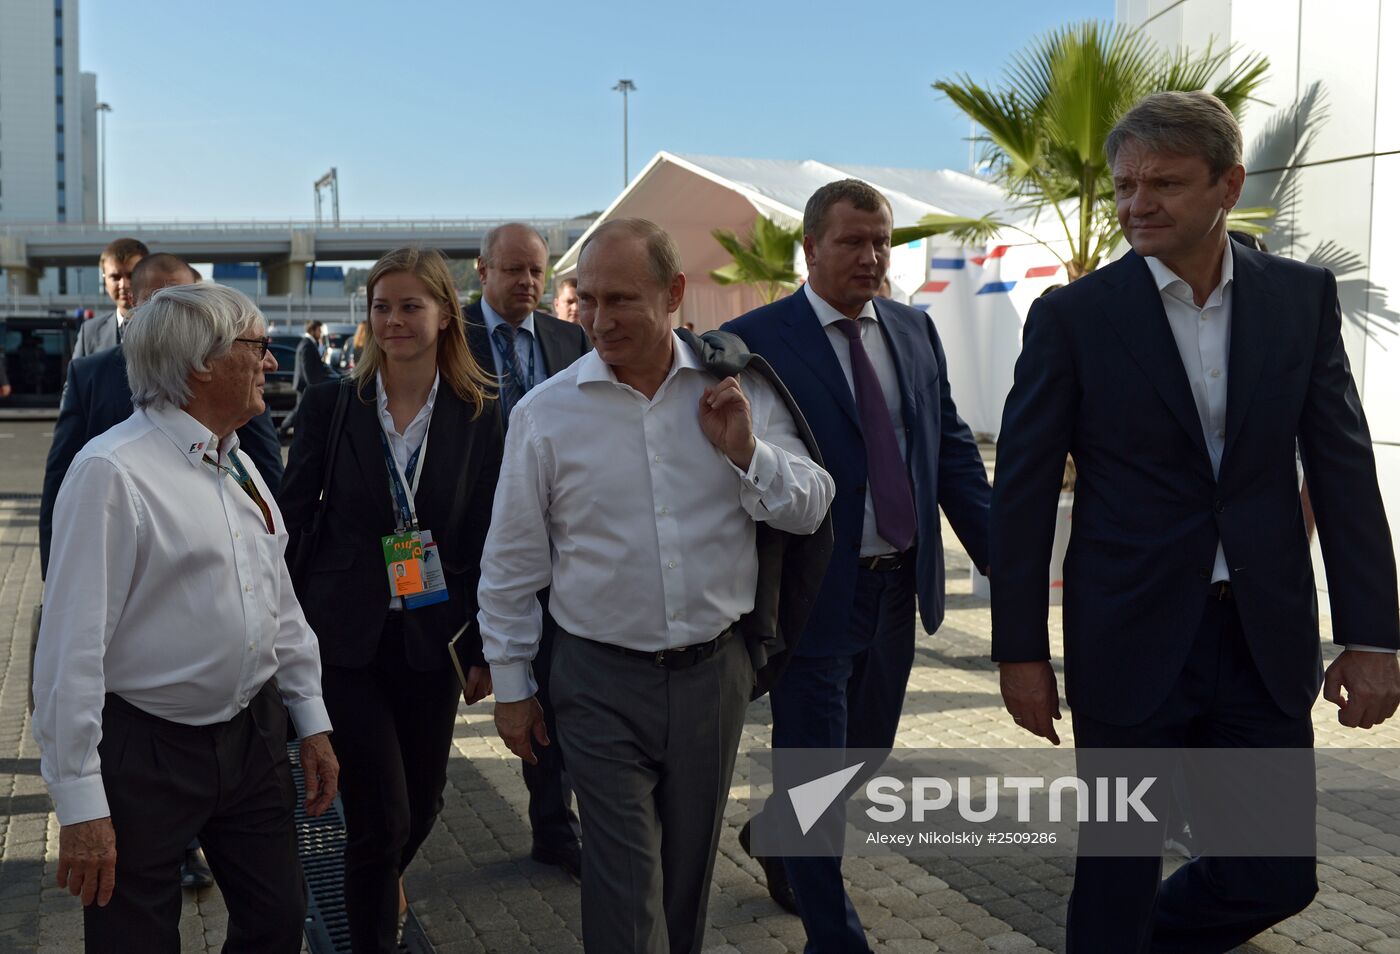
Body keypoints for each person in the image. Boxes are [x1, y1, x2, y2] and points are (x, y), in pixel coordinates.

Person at [991, 90, 1400, 953]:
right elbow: (1021, 497)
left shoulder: (1300, 299)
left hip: (1262, 639)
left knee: (1274, 874)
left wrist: (1372, 637)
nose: (1138, 205)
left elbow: (1344, 468)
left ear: (1227, 184)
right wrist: (1019, 654)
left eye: (1164, 184)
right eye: (1125, 187)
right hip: (1127, 636)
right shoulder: (1073, 318)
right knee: (1118, 868)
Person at [479, 218, 834, 953]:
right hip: (596, 682)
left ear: (673, 293)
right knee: (623, 879)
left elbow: (813, 505)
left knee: (685, 880)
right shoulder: (545, 414)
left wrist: (746, 451)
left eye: (622, 300)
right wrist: (513, 686)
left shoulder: (736, 388)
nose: (600, 321)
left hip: (714, 676)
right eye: (588, 301)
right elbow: (512, 563)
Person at [723, 178, 992, 952]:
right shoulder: (754, 339)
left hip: (895, 589)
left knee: (865, 753)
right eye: (853, 242)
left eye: (882, 242)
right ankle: (833, 936)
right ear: (810, 249)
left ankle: (777, 834)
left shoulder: (914, 331)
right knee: (816, 769)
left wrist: (1006, 562)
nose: (872, 257)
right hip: (812, 596)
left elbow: (948, 452)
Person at [31, 282, 338, 953]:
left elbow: (278, 601)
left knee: (278, 920)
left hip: (252, 737)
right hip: (148, 753)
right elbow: (70, 651)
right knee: (134, 937)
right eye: (256, 347)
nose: (272, 363)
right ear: (203, 363)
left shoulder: (240, 462)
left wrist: (310, 720)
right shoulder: (112, 472)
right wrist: (81, 804)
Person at [280, 246, 503, 954]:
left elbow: (487, 540)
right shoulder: (332, 406)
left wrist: (482, 646)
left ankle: (370, 885)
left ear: (444, 315)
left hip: (431, 638)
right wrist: (285, 636)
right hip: (343, 639)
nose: (395, 321)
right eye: (382, 307)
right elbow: (295, 519)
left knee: (423, 805)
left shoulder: (481, 416)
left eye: (411, 306)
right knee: (380, 818)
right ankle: (373, 931)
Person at [465, 222, 591, 875]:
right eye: (514, 271)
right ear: (482, 271)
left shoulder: (570, 339)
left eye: (537, 272)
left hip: (562, 545)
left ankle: (553, 825)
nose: (528, 283)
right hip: (471, 545)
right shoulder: (446, 337)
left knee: (554, 684)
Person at [39, 254, 283, 577]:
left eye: (188, 299)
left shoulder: (239, 460)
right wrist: (52, 566)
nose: (270, 363)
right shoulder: (104, 468)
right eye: (161, 301)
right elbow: (60, 476)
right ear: (136, 304)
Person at [73, 238, 149, 358]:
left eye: (131, 275)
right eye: (115, 277)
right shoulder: (89, 333)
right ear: (104, 279)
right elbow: (76, 376)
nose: (124, 284)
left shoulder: (169, 330)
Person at [280, 319, 337, 436]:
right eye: (319, 330)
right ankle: (283, 428)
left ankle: (297, 431)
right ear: (313, 330)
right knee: (299, 410)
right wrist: (312, 387)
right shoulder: (307, 345)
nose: (320, 333)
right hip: (305, 386)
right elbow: (307, 369)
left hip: (305, 385)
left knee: (302, 410)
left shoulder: (308, 343)